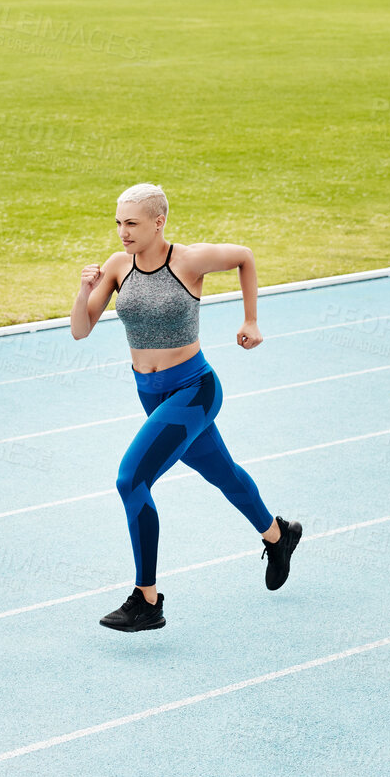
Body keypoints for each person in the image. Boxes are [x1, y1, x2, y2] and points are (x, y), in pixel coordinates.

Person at [70, 183, 301, 632]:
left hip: (194, 390)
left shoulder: (188, 261)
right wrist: (84, 291)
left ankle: (147, 599)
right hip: (151, 394)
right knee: (223, 473)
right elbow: (81, 330)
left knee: (131, 479)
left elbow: (244, 256)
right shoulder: (119, 267)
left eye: (132, 223)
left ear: (159, 222)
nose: (122, 232)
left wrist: (251, 319)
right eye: (118, 222)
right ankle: (278, 535)